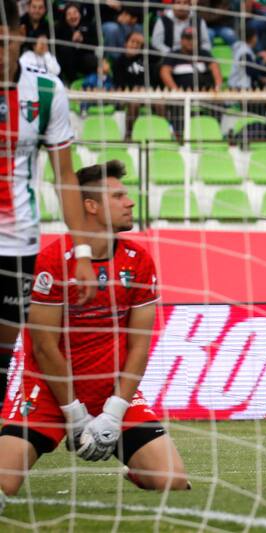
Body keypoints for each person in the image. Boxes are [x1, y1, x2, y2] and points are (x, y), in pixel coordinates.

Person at [0, 161, 190, 515]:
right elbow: (43, 346)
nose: (130, 202)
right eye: (118, 195)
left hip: (111, 390)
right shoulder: (53, 260)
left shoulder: (139, 260)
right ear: (90, 206)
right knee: (3, 484)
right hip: (48, 391)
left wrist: (114, 413)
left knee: (173, 482)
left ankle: (134, 467)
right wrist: (74, 414)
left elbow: (139, 344)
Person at [0, 0, 95, 416]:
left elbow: (65, 177)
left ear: (19, 36)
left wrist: (85, 251)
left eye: (3, 40)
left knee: (2, 357)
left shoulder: (45, 90)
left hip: (18, 245)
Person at [160, 27, 222, 92]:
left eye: (194, 39)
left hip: (204, 92)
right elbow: (165, 72)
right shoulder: (173, 55)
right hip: (181, 93)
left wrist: (217, 88)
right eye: (188, 38)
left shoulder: (204, 53)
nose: (191, 42)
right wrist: (176, 90)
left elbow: (215, 67)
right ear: (182, 40)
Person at [54, 2, 99, 84]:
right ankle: (71, 81)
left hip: (83, 58)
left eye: (75, 13)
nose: (72, 16)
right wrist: (71, 39)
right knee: (65, 51)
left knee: (92, 60)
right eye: (69, 14)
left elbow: (96, 43)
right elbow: (57, 47)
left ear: (80, 14)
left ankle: (90, 82)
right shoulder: (59, 28)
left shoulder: (89, 26)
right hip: (67, 60)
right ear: (65, 17)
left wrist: (83, 39)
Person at [228, 25, 266, 89]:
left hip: (235, 85)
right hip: (239, 88)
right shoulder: (244, 51)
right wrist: (263, 62)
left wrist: (257, 58)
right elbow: (250, 71)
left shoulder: (240, 47)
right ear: (253, 37)